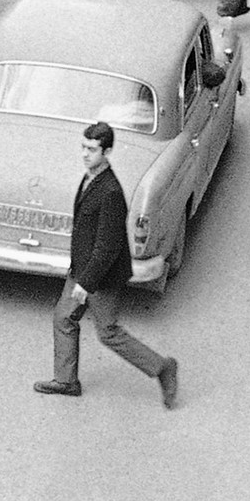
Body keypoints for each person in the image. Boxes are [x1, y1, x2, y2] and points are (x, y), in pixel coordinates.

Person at [35, 119, 178, 407]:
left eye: (93, 149)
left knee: (108, 332)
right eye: (84, 147)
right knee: (63, 318)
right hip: (83, 269)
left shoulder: (110, 192)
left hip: (101, 277)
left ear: (107, 152)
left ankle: (162, 367)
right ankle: (66, 381)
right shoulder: (90, 178)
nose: (85, 154)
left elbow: (108, 248)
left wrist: (85, 284)